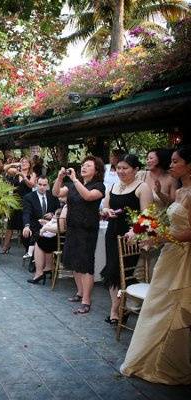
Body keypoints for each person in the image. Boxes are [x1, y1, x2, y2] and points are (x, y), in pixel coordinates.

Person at [120, 145, 191, 385]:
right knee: (159, 304)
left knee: (172, 305)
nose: (171, 165)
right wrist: (153, 231)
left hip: (182, 256)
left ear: (189, 165)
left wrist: (161, 237)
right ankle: (154, 358)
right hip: (170, 253)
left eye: (176, 161)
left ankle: (169, 360)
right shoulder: (181, 192)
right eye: (170, 161)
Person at [100, 154, 152, 324]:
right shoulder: (113, 186)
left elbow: (147, 216)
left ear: (136, 169)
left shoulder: (142, 187)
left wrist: (135, 231)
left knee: (124, 272)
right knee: (111, 271)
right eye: (119, 168)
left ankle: (120, 308)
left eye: (125, 168)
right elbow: (105, 208)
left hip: (130, 237)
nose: (121, 171)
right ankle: (116, 308)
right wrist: (106, 212)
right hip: (112, 233)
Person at [53, 156, 105, 314]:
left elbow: (88, 196)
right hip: (73, 227)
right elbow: (56, 192)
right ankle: (79, 292)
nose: (83, 167)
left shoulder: (99, 186)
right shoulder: (72, 185)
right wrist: (59, 178)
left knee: (86, 264)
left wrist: (75, 179)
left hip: (87, 229)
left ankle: (86, 301)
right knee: (74, 261)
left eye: (88, 166)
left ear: (96, 170)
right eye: (83, 165)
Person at [22, 176, 60, 283]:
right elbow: (26, 213)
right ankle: (36, 262)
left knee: (46, 235)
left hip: (50, 227)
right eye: (40, 184)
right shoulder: (29, 197)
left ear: (48, 185)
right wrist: (26, 226)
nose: (42, 187)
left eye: (45, 185)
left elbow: (58, 211)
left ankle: (42, 265)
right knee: (36, 234)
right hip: (35, 226)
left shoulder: (52, 196)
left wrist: (52, 214)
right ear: (36, 184)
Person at [2, 157, 37, 254]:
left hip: (26, 202)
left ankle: (26, 248)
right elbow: (4, 169)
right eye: (22, 162)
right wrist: (14, 164)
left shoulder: (32, 174)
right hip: (15, 201)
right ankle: (6, 246)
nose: (24, 163)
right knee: (10, 225)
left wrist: (23, 176)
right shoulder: (15, 172)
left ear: (30, 164)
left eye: (26, 162)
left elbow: (31, 185)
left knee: (24, 224)